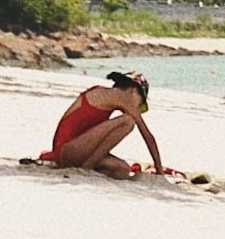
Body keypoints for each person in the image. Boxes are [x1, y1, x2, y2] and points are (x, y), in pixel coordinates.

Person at [37, 71, 169, 180]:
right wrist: (160, 172)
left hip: (71, 151)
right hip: (67, 150)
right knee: (127, 121)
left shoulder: (104, 92)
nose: (137, 107)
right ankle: (87, 167)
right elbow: (148, 136)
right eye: (140, 103)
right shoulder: (122, 96)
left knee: (122, 169)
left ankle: (89, 167)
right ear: (134, 91)